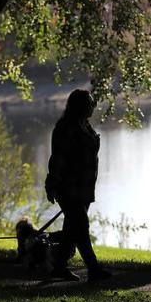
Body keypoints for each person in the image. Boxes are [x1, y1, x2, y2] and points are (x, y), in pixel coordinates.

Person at [45, 89, 112, 282]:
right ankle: (94, 269)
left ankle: (58, 266)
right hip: (68, 187)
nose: (94, 106)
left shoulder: (85, 126)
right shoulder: (65, 128)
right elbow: (57, 159)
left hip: (84, 187)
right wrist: (52, 185)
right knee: (81, 225)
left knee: (72, 229)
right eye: (90, 102)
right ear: (80, 106)